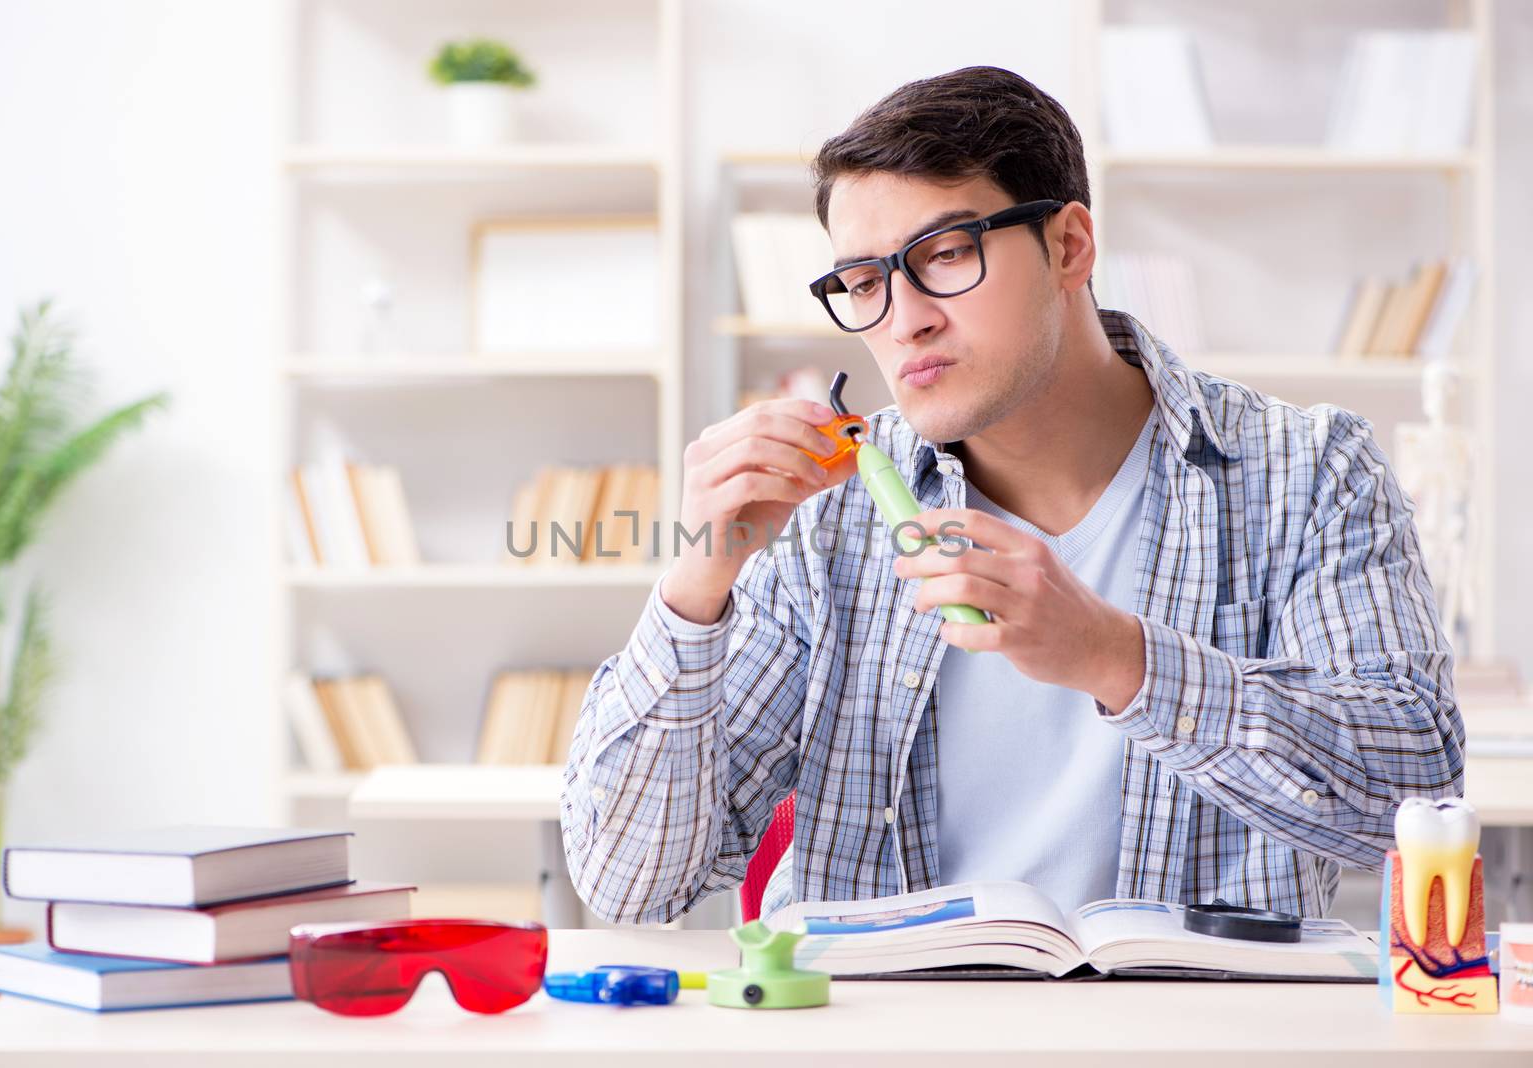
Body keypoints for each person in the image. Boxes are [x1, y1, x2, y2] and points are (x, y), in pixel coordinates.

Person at [559, 65, 1462, 924]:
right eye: (865, 282)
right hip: (888, 1032)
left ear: (1069, 245)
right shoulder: (827, 516)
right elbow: (632, 880)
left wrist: (1117, 658)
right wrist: (698, 579)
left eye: (945, 255)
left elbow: (1411, 800)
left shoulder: (1306, 471)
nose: (905, 317)